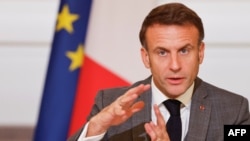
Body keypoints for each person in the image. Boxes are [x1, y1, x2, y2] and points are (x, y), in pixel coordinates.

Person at [68, 2, 250, 141]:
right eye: (162, 52)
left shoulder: (234, 110)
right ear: (146, 57)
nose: (175, 65)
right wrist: (96, 128)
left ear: (200, 53)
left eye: (184, 50)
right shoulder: (108, 103)